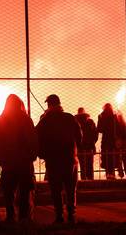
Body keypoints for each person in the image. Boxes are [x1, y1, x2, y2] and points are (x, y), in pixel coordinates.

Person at [0, 94, 38, 222]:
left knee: (8, 191)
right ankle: (24, 218)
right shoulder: (25, 119)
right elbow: (32, 139)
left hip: (7, 161)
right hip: (23, 161)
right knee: (25, 191)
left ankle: (10, 215)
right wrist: (32, 155)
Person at [36, 94, 81, 224]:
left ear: (49, 105)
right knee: (70, 188)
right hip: (69, 158)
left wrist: (42, 153)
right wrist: (75, 150)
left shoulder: (45, 121)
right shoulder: (69, 118)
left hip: (53, 160)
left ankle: (59, 215)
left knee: (56, 189)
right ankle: (71, 214)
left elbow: (37, 137)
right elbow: (79, 136)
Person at [97, 103, 122, 179]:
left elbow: (99, 129)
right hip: (113, 139)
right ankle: (113, 173)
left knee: (106, 156)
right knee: (114, 156)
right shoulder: (115, 116)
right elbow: (118, 127)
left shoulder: (101, 116)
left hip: (105, 140)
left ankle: (108, 173)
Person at [74, 107, 98, 180]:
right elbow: (95, 134)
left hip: (80, 147)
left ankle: (83, 180)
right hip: (90, 146)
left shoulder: (75, 122)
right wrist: (92, 142)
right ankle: (91, 180)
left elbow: (74, 135)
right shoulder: (90, 122)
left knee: (82, 166)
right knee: (90, 165)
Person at [115, 111, 126, 179]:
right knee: (125, 159)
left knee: (119, 159)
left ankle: (121, 173)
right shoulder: (124, 125)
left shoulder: (116, 125)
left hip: (119, 142)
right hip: (124, 143)